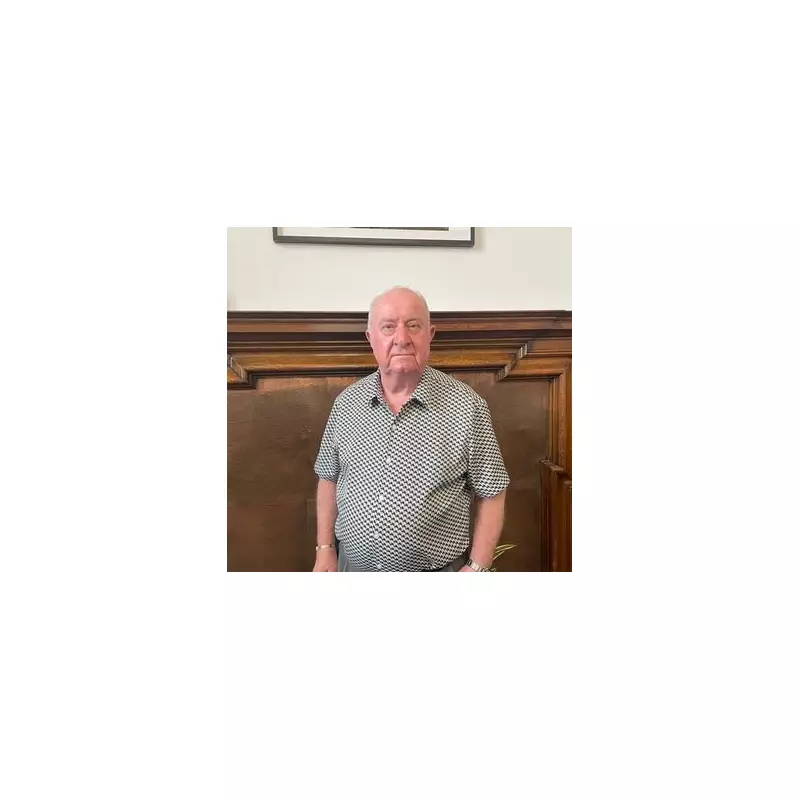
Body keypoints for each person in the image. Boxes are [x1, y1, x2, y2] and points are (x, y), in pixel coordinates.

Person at [312, 286, 509, 572]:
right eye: (388, 327)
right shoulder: (347, 404)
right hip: (350, 568)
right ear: (371, 338)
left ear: (430, 335)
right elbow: (328, 478)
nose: (402, 339)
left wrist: (477, 568)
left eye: (413, 325)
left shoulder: (467, 407)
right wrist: (325, 549)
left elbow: (492, 491)